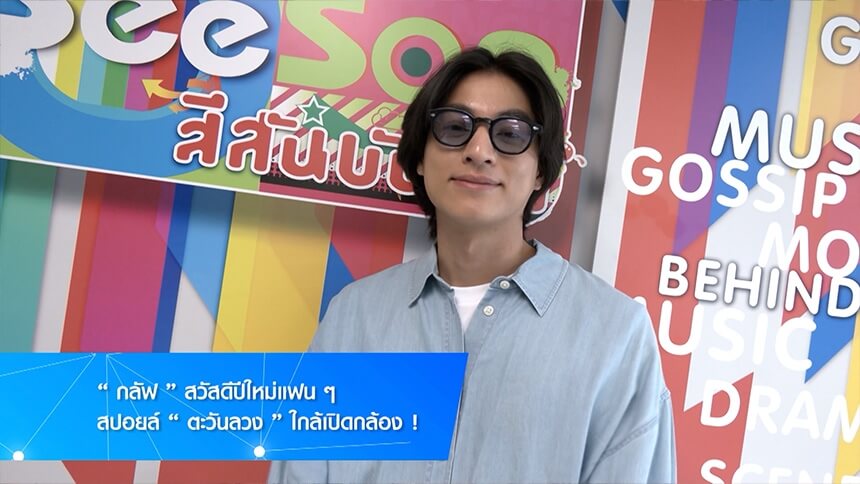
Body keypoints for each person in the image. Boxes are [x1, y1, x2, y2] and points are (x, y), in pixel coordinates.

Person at [270, 47, 676, 483]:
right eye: (454, 127)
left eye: (511, 134)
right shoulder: (354, 316)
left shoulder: (616, 334)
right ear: (420, 157)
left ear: (542, 171)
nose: (479, 151)